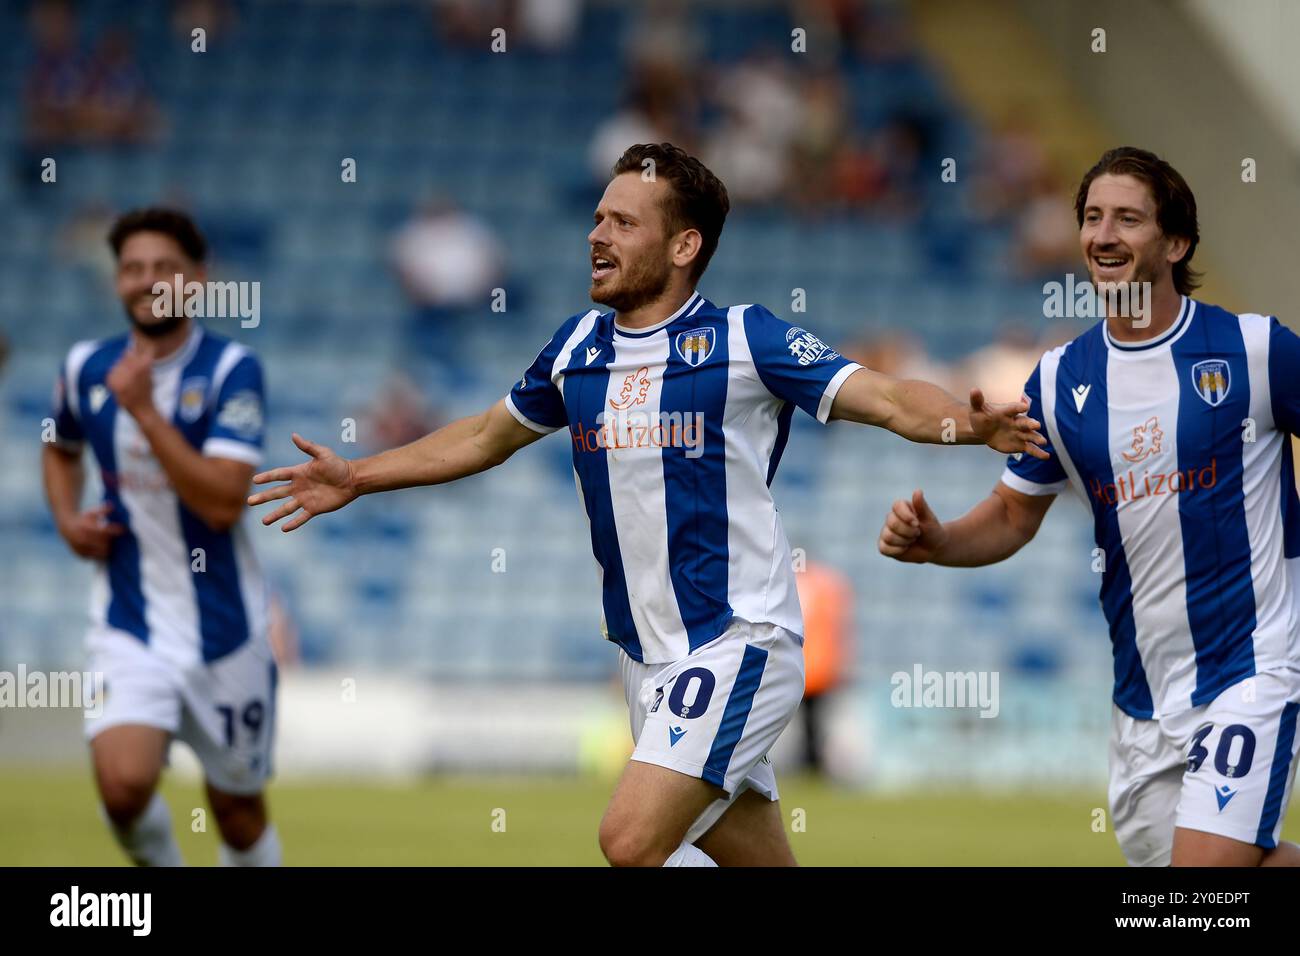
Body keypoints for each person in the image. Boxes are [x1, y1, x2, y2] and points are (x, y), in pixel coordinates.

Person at [248, 143, 1044, 866]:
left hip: (739, 642)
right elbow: (484, 437)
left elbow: (887, 397)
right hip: (645, 659)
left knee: (630, 842)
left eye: (623, 222)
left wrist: (966, 426)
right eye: (597, 217)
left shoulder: (744, 339)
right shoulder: (575, 349)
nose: (597, 235)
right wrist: (358, 477)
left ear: (683, 245)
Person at [878, 147, 1300, 867]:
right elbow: (1013, 516)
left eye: (1128, 218)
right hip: (1140, 699)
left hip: (1252, 670)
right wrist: (939, 540)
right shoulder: (1059, 379)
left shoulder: (1253, 351)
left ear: (1176, 243)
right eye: (1093, 217)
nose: (1104, 234)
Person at [42, 208, 280, 866]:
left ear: (197, 281)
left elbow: (222, 502)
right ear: (116, 280)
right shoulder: (85, 367)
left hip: (226, 633)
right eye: (132, 268)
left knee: (235, 813)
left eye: (164, 269)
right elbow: (58, 447)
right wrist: (66, 517)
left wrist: (144, 411)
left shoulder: (234, 370)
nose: (148, 282)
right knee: (121, 787)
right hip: (130, 623)